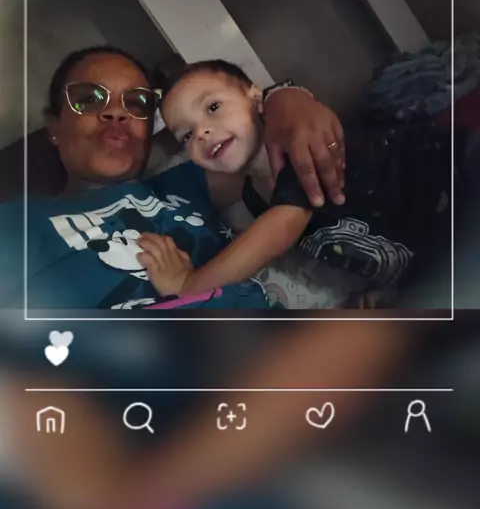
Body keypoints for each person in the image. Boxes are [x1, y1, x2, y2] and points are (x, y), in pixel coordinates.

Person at [0, 46, 346, 313]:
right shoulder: (19, 223)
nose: (116, 112)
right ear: (54, 126)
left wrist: (286, 98)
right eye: (89, 99)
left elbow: (257, 139)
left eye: (137, 103)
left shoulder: (180, 185)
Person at [142, 60, 452, 302]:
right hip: (437, 254)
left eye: (213, 108)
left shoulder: (297, 149)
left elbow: (280, 228)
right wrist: (387, 286)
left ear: (256, 98)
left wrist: (188, 284)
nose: (201, 133)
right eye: (186, 135)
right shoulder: (253, 197)